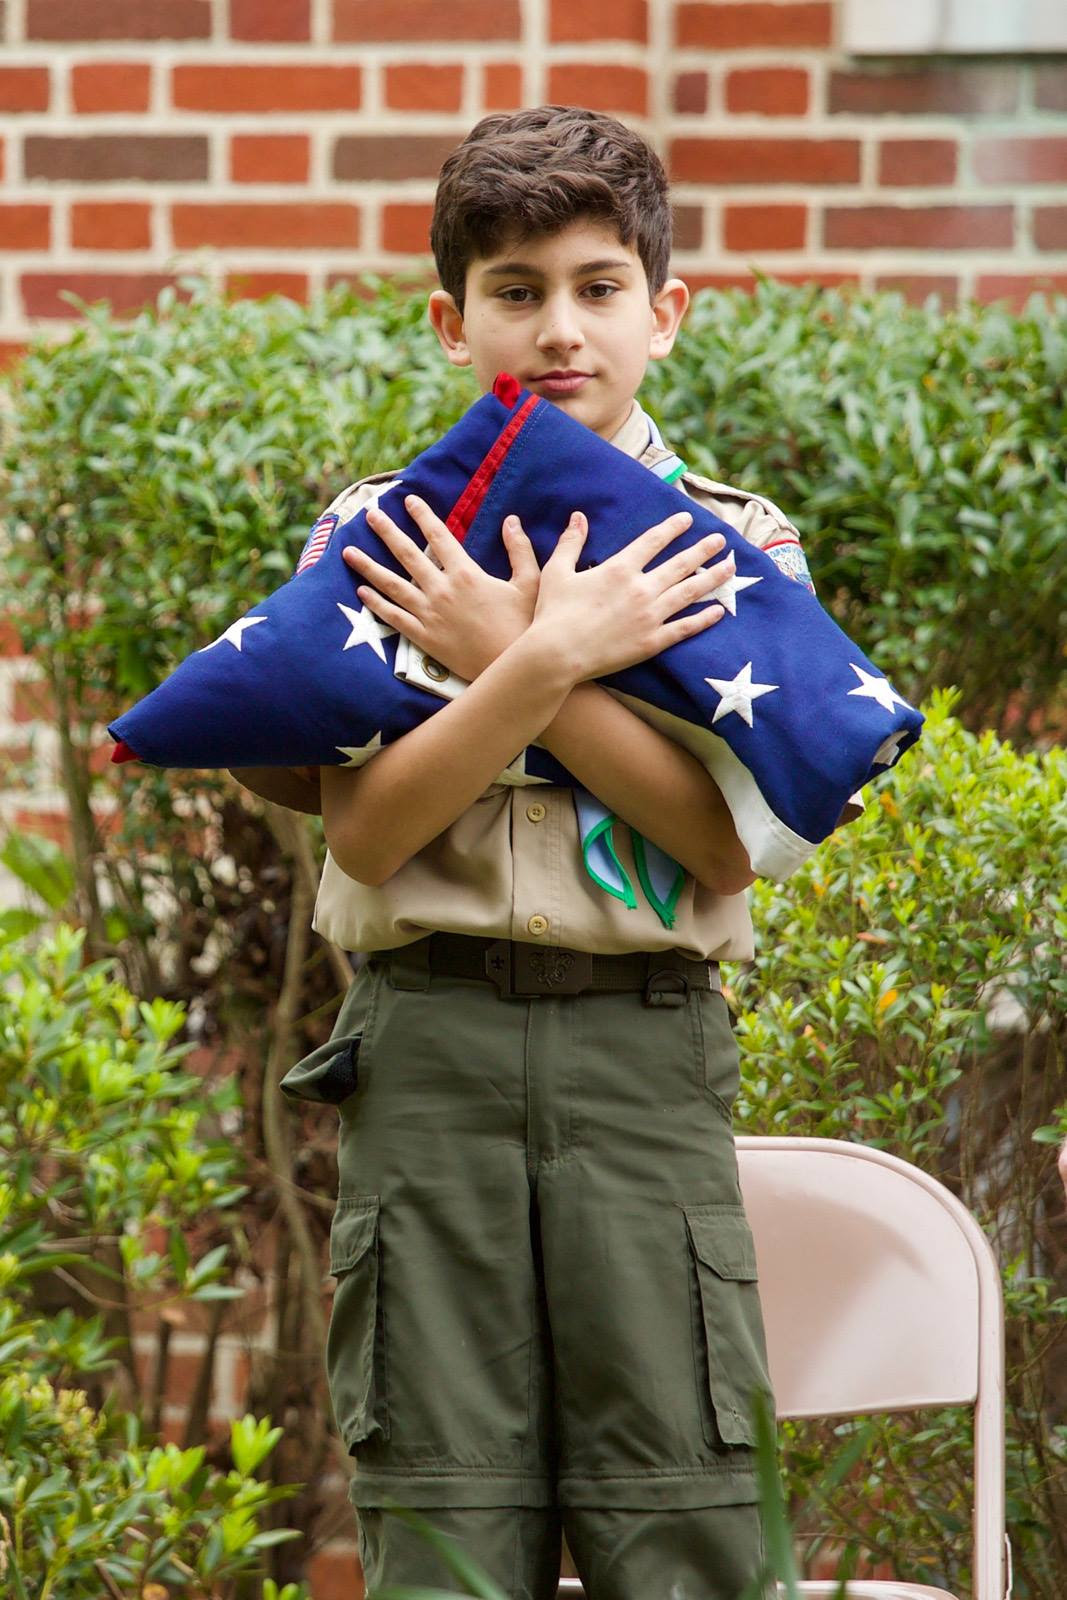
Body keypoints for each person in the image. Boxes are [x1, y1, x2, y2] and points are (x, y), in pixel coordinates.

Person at [238, 106, 854, 1600]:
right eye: (515, 292)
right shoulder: (385, 539)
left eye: (598, 287)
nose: (560, 328)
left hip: (645, 1061)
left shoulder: (732, 549)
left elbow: (721, 848)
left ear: (666, 312)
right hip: (428, 1053)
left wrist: (523, 657)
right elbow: (370, 829)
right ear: (452, 323)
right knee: (443, 1517)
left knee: (682, 1509)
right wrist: (534, 660)